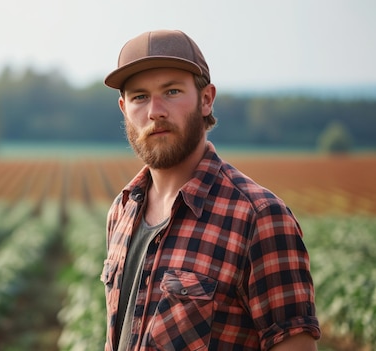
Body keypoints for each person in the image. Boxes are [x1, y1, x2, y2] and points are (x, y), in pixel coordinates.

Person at [101, 29, 321, 351]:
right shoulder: (122, 211)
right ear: (124, 109)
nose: (155, 111)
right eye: (140, 97)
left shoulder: (259, 218)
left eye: (172, 91)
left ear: (206, 99)